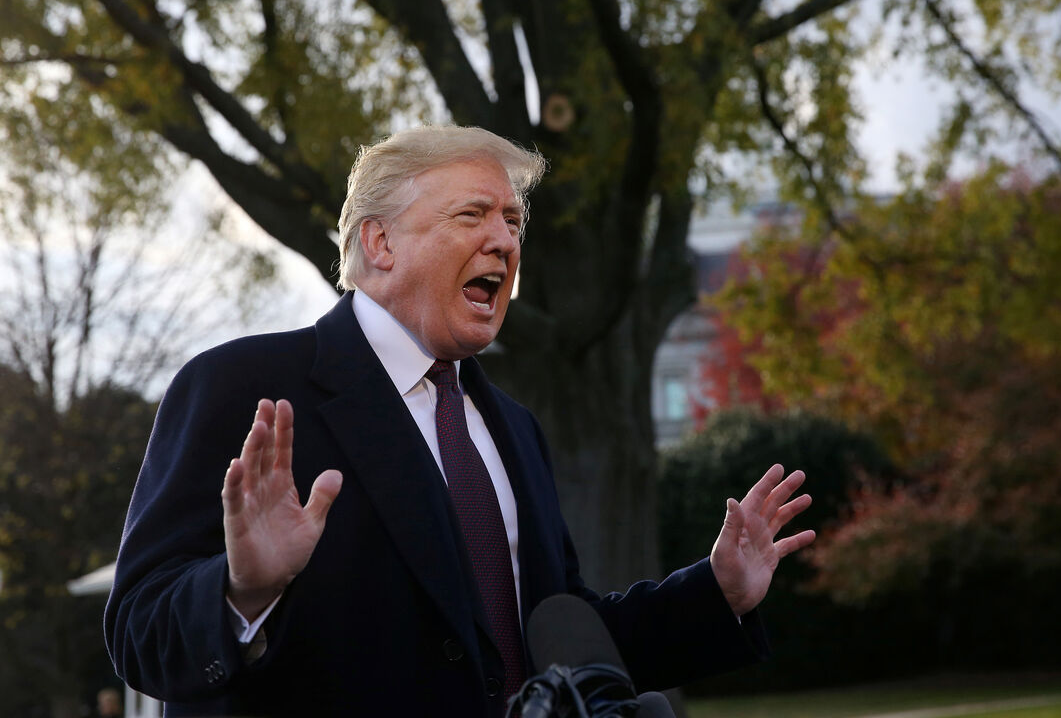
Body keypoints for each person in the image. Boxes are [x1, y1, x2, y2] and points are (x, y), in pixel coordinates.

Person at [105, 125, 815, 717]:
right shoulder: (243, 388)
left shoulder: (514, 427)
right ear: (380, 244)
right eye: (472, 216)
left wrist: (713, 594)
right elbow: (139, 632)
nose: (504, 243)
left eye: (511, 222)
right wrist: (242, 589)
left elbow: (560, 634)